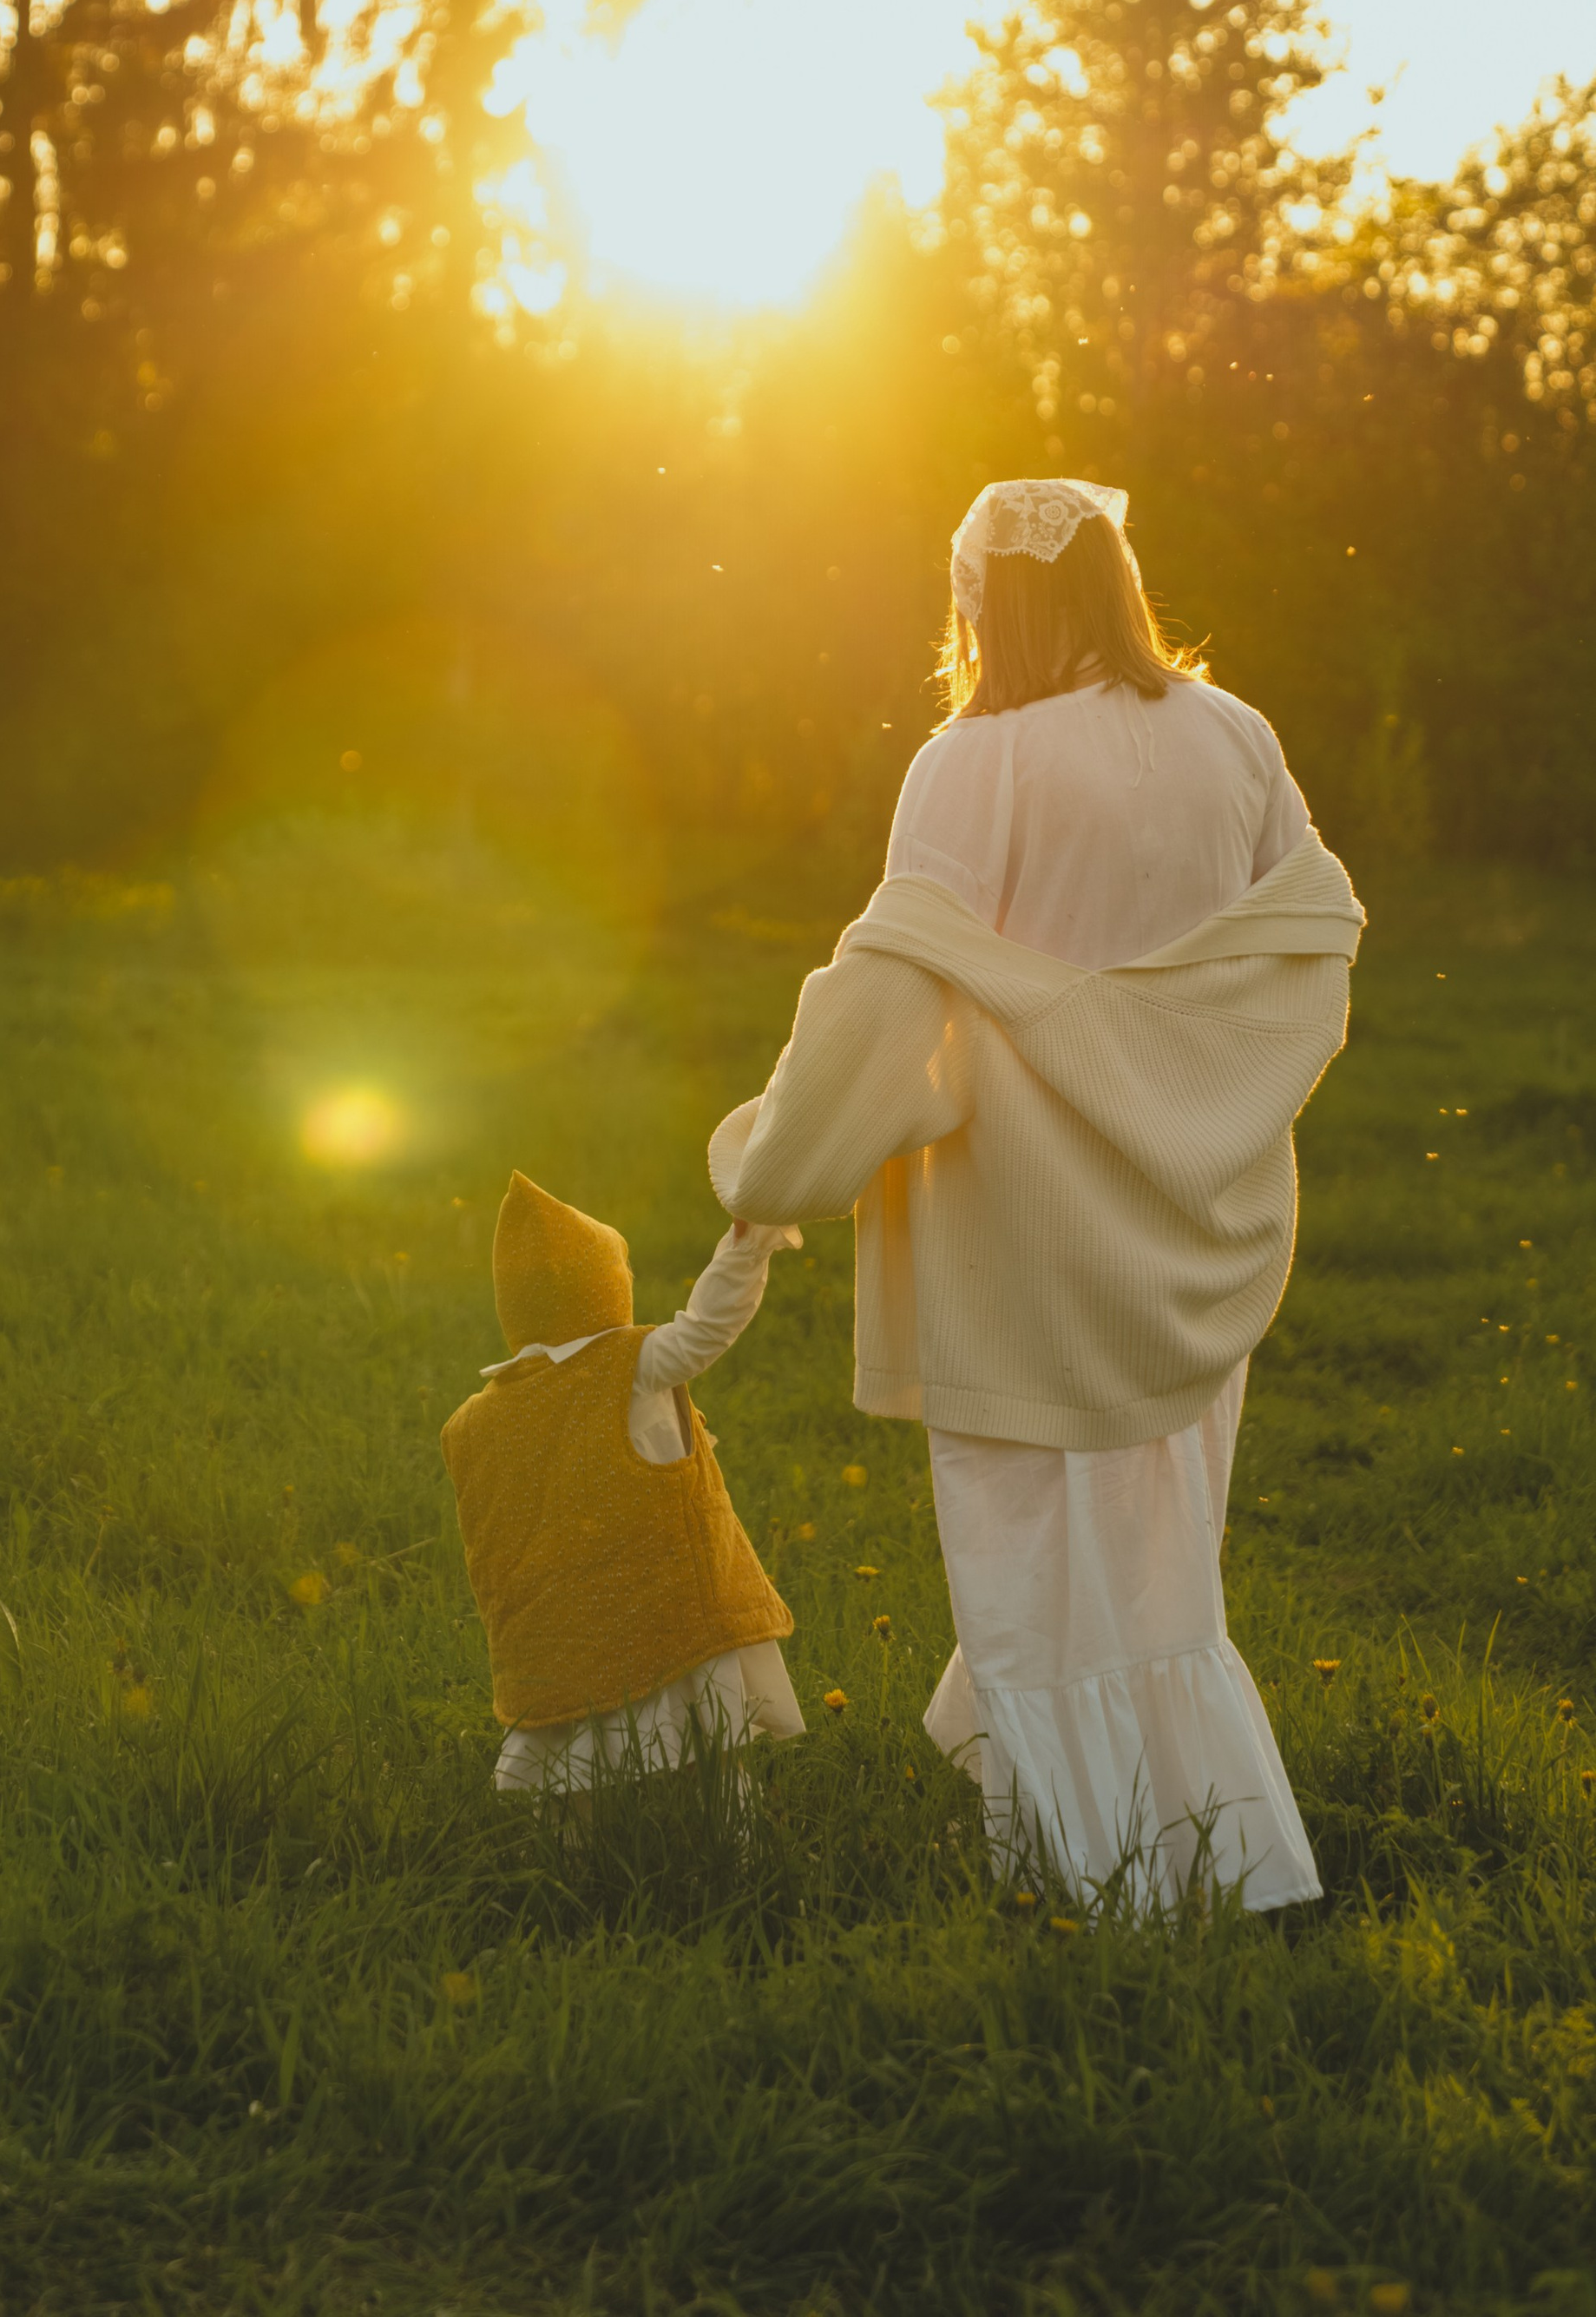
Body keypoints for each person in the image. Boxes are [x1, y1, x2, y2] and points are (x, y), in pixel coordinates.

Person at [707, 477, 1363, 1909]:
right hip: (1198, 1217)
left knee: (1019, 1541)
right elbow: (1307, 942)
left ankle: (1103, 1878)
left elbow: (889, 997)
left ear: (982, 599)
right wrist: (1198, 1086)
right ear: (1123, 580)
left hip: (1016, 1224)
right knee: (1162, 1553)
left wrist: (779, 1164)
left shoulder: (971, 762)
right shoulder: (1236, 735)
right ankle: (1206, 1857)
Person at [442, 1169, 807, 1796]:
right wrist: (746, 1246)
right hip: (669, 1607)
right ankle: (733, 1855)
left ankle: (575, 1868)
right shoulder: (630, 1366)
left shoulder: (472, 1420)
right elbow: (705, 1329)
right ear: (602, 1286)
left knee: (570, 1762)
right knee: (713, 1748)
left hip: (561, 1635)